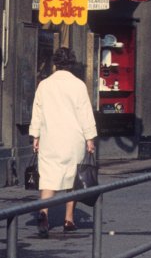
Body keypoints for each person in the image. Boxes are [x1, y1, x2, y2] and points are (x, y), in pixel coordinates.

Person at [28, 47, 97, 237]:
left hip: (50, 137)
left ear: (55, 63)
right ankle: (69, 219)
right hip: (73, 139)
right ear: (72, 64)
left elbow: (38, 112)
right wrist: (90, 138)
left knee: (48, 178)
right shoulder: (78, 85)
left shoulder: (44, 85)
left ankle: (43, 212)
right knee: (72, 179)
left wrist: (36, 136)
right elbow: (85, 114)